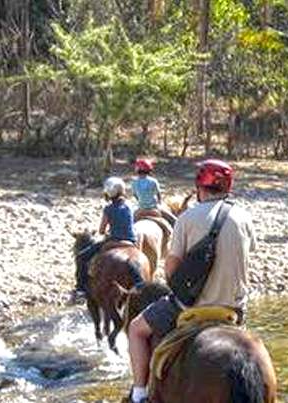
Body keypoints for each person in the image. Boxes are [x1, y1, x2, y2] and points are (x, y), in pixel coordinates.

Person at [125, 159, 256, 403]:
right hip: (234, 309)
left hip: (192, 307)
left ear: (199, 187)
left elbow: (172, 270)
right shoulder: (244, 217)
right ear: (228, 187)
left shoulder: (187, 218)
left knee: (136, 329)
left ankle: (140, 393)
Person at [130, 159, 176, 224]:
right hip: (153, 208)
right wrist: (159, 202)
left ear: (137, 170)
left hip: (140, 208)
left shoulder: (134, 182)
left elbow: (135, 195)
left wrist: (142, 200)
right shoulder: (153, 181)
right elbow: (158, 194)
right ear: (149, 170)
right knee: (173, 219)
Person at [98, 177, 137, 249]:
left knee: (88, 252)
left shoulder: (108, 208)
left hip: (114, 240)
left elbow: (101, 230)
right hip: (131, 240)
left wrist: (107, 233)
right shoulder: (129, 205)